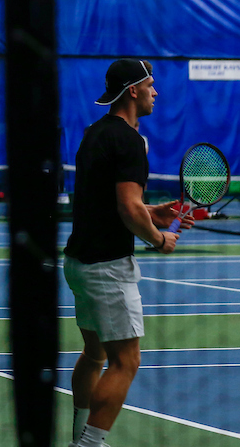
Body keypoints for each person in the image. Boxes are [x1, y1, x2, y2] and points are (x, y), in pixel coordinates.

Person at [63, 59, 191, 447]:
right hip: (108, 268)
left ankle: (78, 435)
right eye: (150, 85)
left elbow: (105, 200)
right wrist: (159, 238)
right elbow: (128, 209)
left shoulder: (94, 133)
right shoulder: (130, 140)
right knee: (126, 361)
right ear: (133, 91)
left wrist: (152, 212)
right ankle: (89, 444)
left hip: (78, 263)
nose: (156, 92)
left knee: (94, 355)